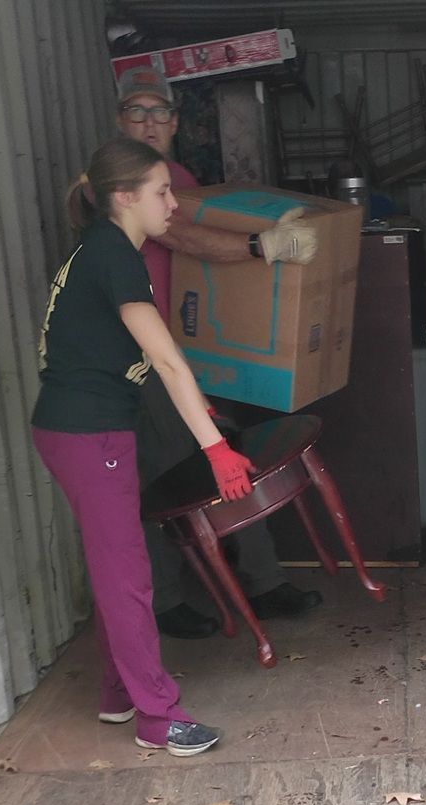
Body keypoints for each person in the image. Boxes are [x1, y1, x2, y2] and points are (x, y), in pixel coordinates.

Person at [31, 137, 259, 756]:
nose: (173, 205)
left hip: (81, 429)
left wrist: (204, 418)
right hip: (89, 433)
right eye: (162, 192)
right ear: (125, 197)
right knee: (128, 573)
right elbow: (167, 360)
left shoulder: (101, 248)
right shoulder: (115, 255)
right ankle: (159, 718)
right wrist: (216, 448)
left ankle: (117, 694)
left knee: (118, 564)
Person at [114, 64, 324, 638]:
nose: (149, 122)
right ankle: (167, 601)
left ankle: (264, 581)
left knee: (226, 457)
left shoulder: (180, 178)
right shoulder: (111, 184)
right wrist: (263, 244)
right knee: (163, 472)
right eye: (137, 111)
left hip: (194, 352)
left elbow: (203, 243)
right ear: (120, 121)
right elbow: (180, 236)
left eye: (160, 111)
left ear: (176, 122)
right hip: (142, 357)